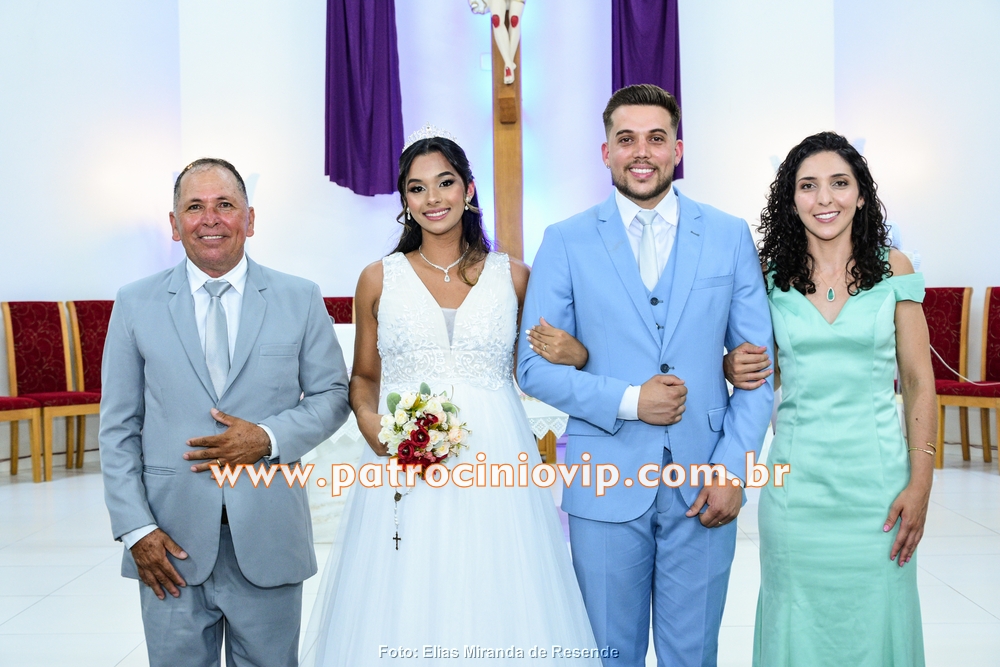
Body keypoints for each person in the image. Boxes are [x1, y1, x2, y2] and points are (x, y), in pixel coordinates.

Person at [302, 131, 601, 665]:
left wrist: (578, 353)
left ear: (468, 189)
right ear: (404, 200)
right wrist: (371, 424)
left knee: (498, 581)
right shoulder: (378, 278)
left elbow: (542, 363)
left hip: (496, 454)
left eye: (445, 183)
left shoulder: (514, 276)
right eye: (417, 188)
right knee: (405, 583)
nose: (433, 198)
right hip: (403, 457)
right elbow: (364, 376)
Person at [517, 84, 775, 667]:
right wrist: (632, 401)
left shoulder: (729, 235)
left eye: (656, 139)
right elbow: (531, 368)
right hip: (603, 481)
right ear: (605, 151)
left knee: (693, 655)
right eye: (626, 138)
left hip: (705, 479)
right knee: (609, 653)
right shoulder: (565, 240)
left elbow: (757, 372)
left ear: (677, 150)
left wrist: (733, 470)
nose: (641, 152)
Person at [100, 158, 350, 667]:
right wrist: (136, 530)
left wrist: (267, 438)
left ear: (250, 219)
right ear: (175, 224)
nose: (210, 218)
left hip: (269, 532)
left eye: (225, 205)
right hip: (167, 541)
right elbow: (118, 427)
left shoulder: (299, 298)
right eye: (194, 207)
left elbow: (332, 395)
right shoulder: (135, 303)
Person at [725, 131, 935, 666]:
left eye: (840, 183)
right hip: (797, 491)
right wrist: (730, 366)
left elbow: (918, 382)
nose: (825, 199)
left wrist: (921, 483)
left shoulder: (894, 269)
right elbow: (760, 372)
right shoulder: (769, 279)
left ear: (861, 195)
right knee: (795, 619)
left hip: (879, 487)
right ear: (791, 199)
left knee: (880, 616)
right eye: (808, 186)